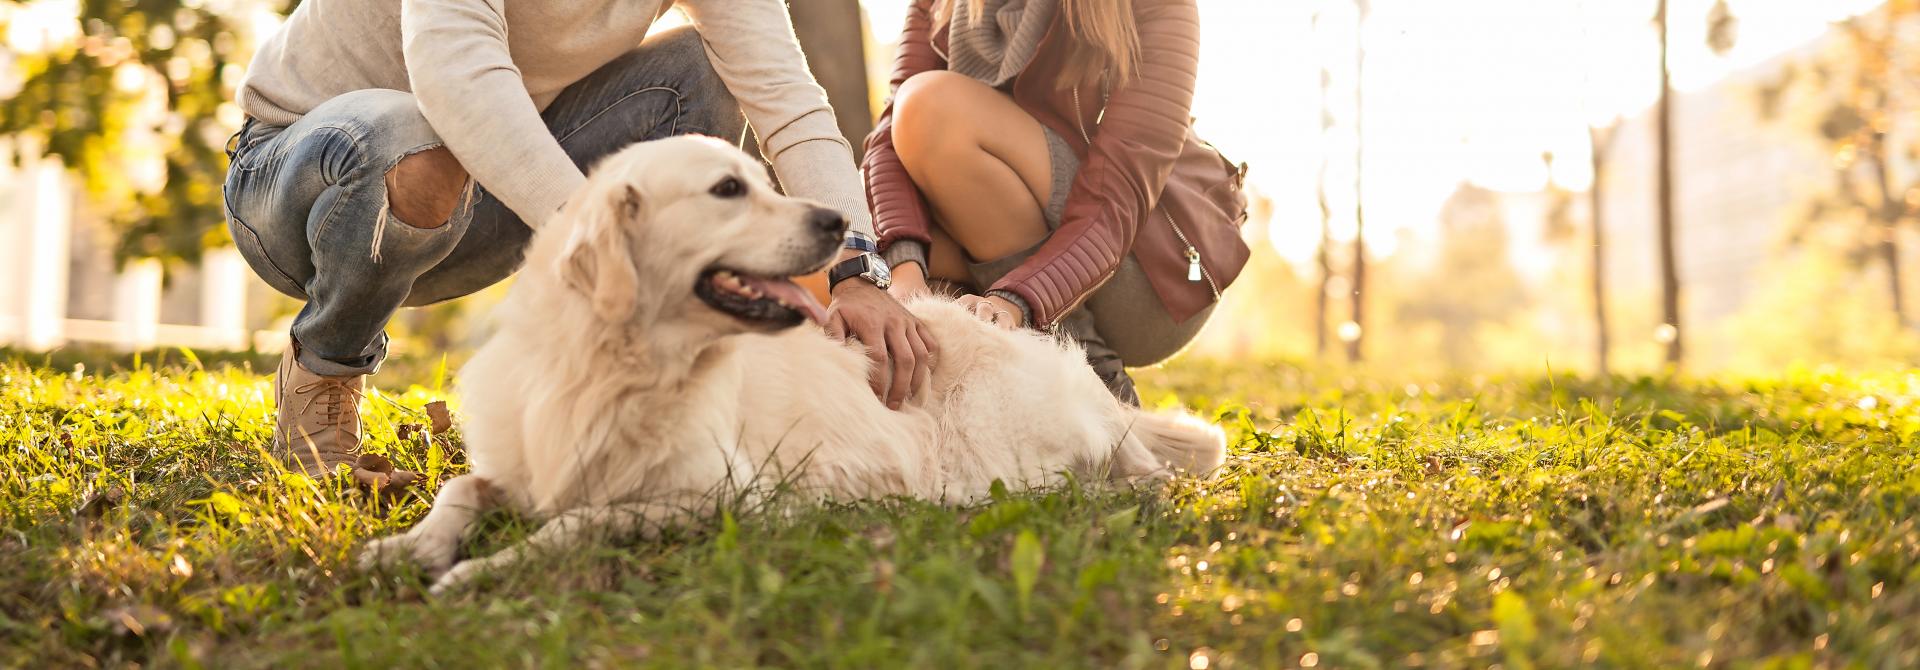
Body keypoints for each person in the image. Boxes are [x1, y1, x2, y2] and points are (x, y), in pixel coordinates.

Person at [224, 1, 930, 488]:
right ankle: (325, 366)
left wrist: (857, 269)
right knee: (408, 133)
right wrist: (603, 241)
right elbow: (458, 78)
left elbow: (786, 96)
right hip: (301, 180)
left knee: (702, 71)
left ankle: (636, 380)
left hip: (481, 186)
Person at [862, 0, 1251, 406]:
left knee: (930, 108)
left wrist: (1016, 302)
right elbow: (886, 144)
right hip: (1001, 245)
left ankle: (1095, 377)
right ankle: (1003, 393)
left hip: (1141, 276)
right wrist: (903, 275)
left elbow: (1113, 208)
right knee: (832, 275)